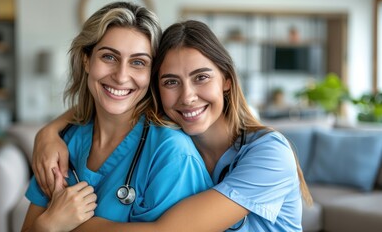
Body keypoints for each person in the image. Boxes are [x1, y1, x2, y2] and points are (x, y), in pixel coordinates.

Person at [32, 20, 313, 231]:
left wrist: (54, 225)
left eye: (201, 77)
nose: (187, 97)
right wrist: (49, 132)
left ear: (226, 80)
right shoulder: (174, 137)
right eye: (171, 82)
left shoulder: (269, 153)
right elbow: (112, 94)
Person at [21, 3, 213, 232]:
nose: (121, 76)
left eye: (138, 62)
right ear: (86, 60)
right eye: (109, 57)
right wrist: (47, 225)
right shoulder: (65, 141)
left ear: (151, 73)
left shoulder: (172, 154)